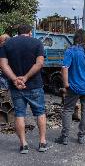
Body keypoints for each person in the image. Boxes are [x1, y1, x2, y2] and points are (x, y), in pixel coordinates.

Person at [0, 24, 49, 154]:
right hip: (34, 85)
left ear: (18, 32)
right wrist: (26, 78)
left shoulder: (7, 44)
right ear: (30, 32)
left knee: (20, 114)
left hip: (16, 87)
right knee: (40, 112)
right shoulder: (37, 43)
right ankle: (42, 142)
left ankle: (23, 145)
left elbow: (3, 64)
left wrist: (15, 79)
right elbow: (39, 63)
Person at [55, 29, 85, 145]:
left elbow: (65, 68)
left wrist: (65, 84)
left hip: (74, 86)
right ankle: (81, 137)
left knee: (68, 110)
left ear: (75, 38)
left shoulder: (71, 50)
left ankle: (64, 137)